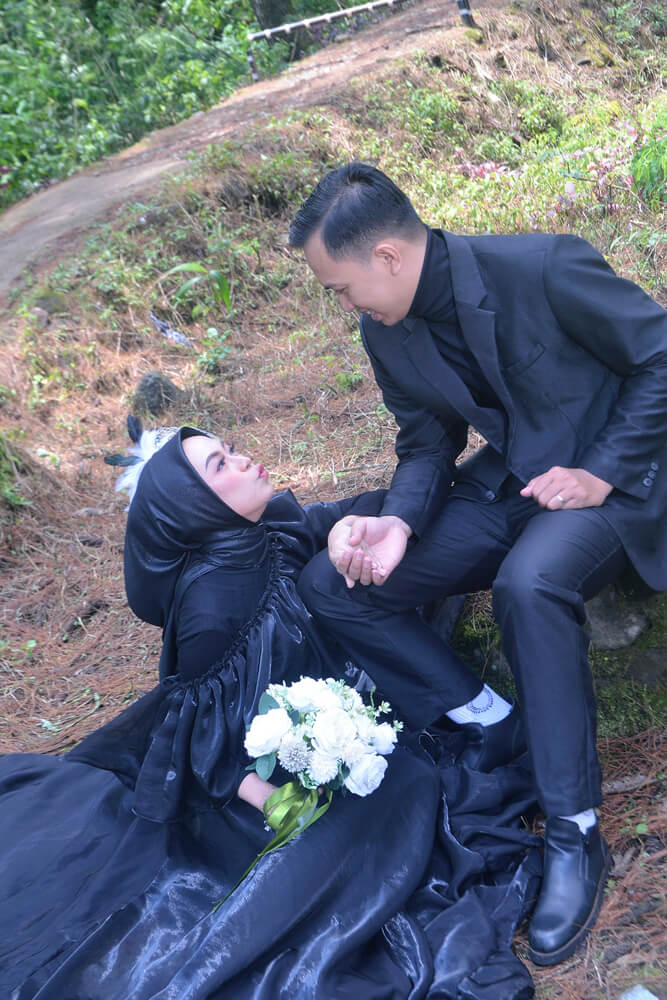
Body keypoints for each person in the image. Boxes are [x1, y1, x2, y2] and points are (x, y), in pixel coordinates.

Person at [0, 424, 541, 1000]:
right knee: (388, 802)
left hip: (334, 712)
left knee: (403, 778)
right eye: (220, 465)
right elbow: (197, 740)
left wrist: (351, 527)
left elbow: (335, 519)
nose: (242, 460)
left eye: (230, 449)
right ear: (195, 505)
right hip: (259, 774)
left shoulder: (264, 531)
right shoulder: (211, 609)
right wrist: (279, 803)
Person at [289, 161, 667, 967]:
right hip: (514, 482)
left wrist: (600, 471)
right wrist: (397, 523)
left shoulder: (541, 265)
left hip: (616, 480)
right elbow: (426, 442)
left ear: (386, 255)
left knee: (528, 583)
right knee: (335, 581)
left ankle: (574, 831)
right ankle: (493, 721)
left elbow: (659, 356)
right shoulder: (385, 328)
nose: (344, 305)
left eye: (340, 287)